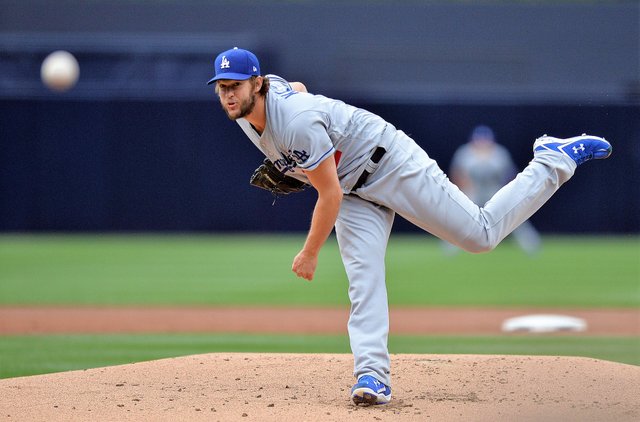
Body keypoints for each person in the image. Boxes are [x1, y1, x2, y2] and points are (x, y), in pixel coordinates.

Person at [207, 47, 612, 406]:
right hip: (352, 188)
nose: (228, 93)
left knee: (480, 235)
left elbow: (326, 195)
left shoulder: (293, 122)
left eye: (236, 85)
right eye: (222, 86)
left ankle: (552, 159)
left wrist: (310, 251)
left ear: (256, 84)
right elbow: (294, 85)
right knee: (362, 278)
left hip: (390, 163)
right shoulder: (247, 111)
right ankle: (372, 377)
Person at [446, 125, 541, 255]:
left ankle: (530, 243)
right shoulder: (465, 153)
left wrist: (506, 193)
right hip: (473, 189)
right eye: (480, 140)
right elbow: (458, 174)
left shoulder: (499, 153)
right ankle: (449, 246)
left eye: (485, 140)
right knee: (459, 216)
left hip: (493, 189)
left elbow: (509, 175)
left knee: (513, 213)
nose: (482, 143)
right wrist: (463, 189)